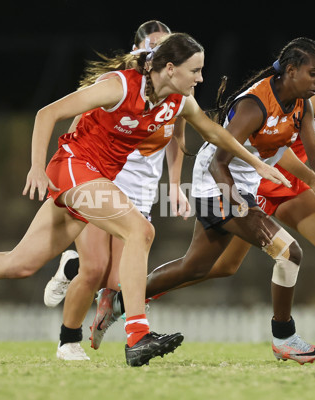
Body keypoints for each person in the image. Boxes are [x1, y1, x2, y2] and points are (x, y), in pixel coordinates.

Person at [0, 32, 292, 367]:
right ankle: (137, 334)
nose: (201, 79)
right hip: (74, 168)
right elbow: (47, 113)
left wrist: (255, 162)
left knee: (19, 263)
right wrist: (37, 168)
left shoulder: (177, 101)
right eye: (195, 71)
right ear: (170, 68)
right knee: (140, 230)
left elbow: (215, 133)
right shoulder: (118, 86)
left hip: (91, 179)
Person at [92, 29, 315, 365]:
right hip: (216, 183)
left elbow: (314, 154)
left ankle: (119, 301)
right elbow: (218, 162)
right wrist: (238, 203)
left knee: (200, 266)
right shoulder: (255, 105)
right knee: (289, 253)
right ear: (291, 71)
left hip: (248, 182)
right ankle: (285, 338)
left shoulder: (302, 102)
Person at [43, 20, 192, 361]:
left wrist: (174, 185)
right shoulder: (120, 86)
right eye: (153, 48)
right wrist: (67, 170)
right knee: (95, 268)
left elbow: (178, 138)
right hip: (104, 177)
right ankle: (69, 340)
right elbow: (78, 125)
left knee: (115, 278)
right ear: (140, 52)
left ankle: (72, 266)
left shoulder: (180, 89)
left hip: (140, 190)